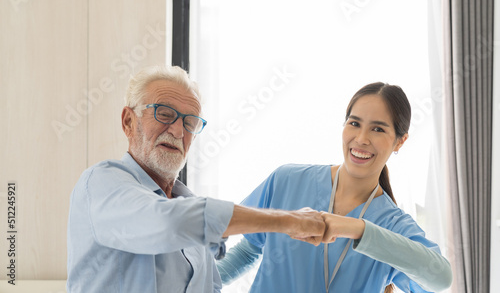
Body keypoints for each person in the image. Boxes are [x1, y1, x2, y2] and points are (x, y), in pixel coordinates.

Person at [66, 65, 326, 293]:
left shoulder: (187, 202)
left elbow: (211, 284)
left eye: (189, 122)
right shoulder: (101, 183)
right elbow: (170, 223)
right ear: (129, 122)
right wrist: (289, 221)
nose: (178, 130)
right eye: (165, 114)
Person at [217, 82, 453, 293]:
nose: (361, 138)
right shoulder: (286, 180)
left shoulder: (394, 226)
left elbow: (441, 279)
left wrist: (358, 229)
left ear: (400, 141)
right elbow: (248, 251)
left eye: (378, 129)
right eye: (354, 123)